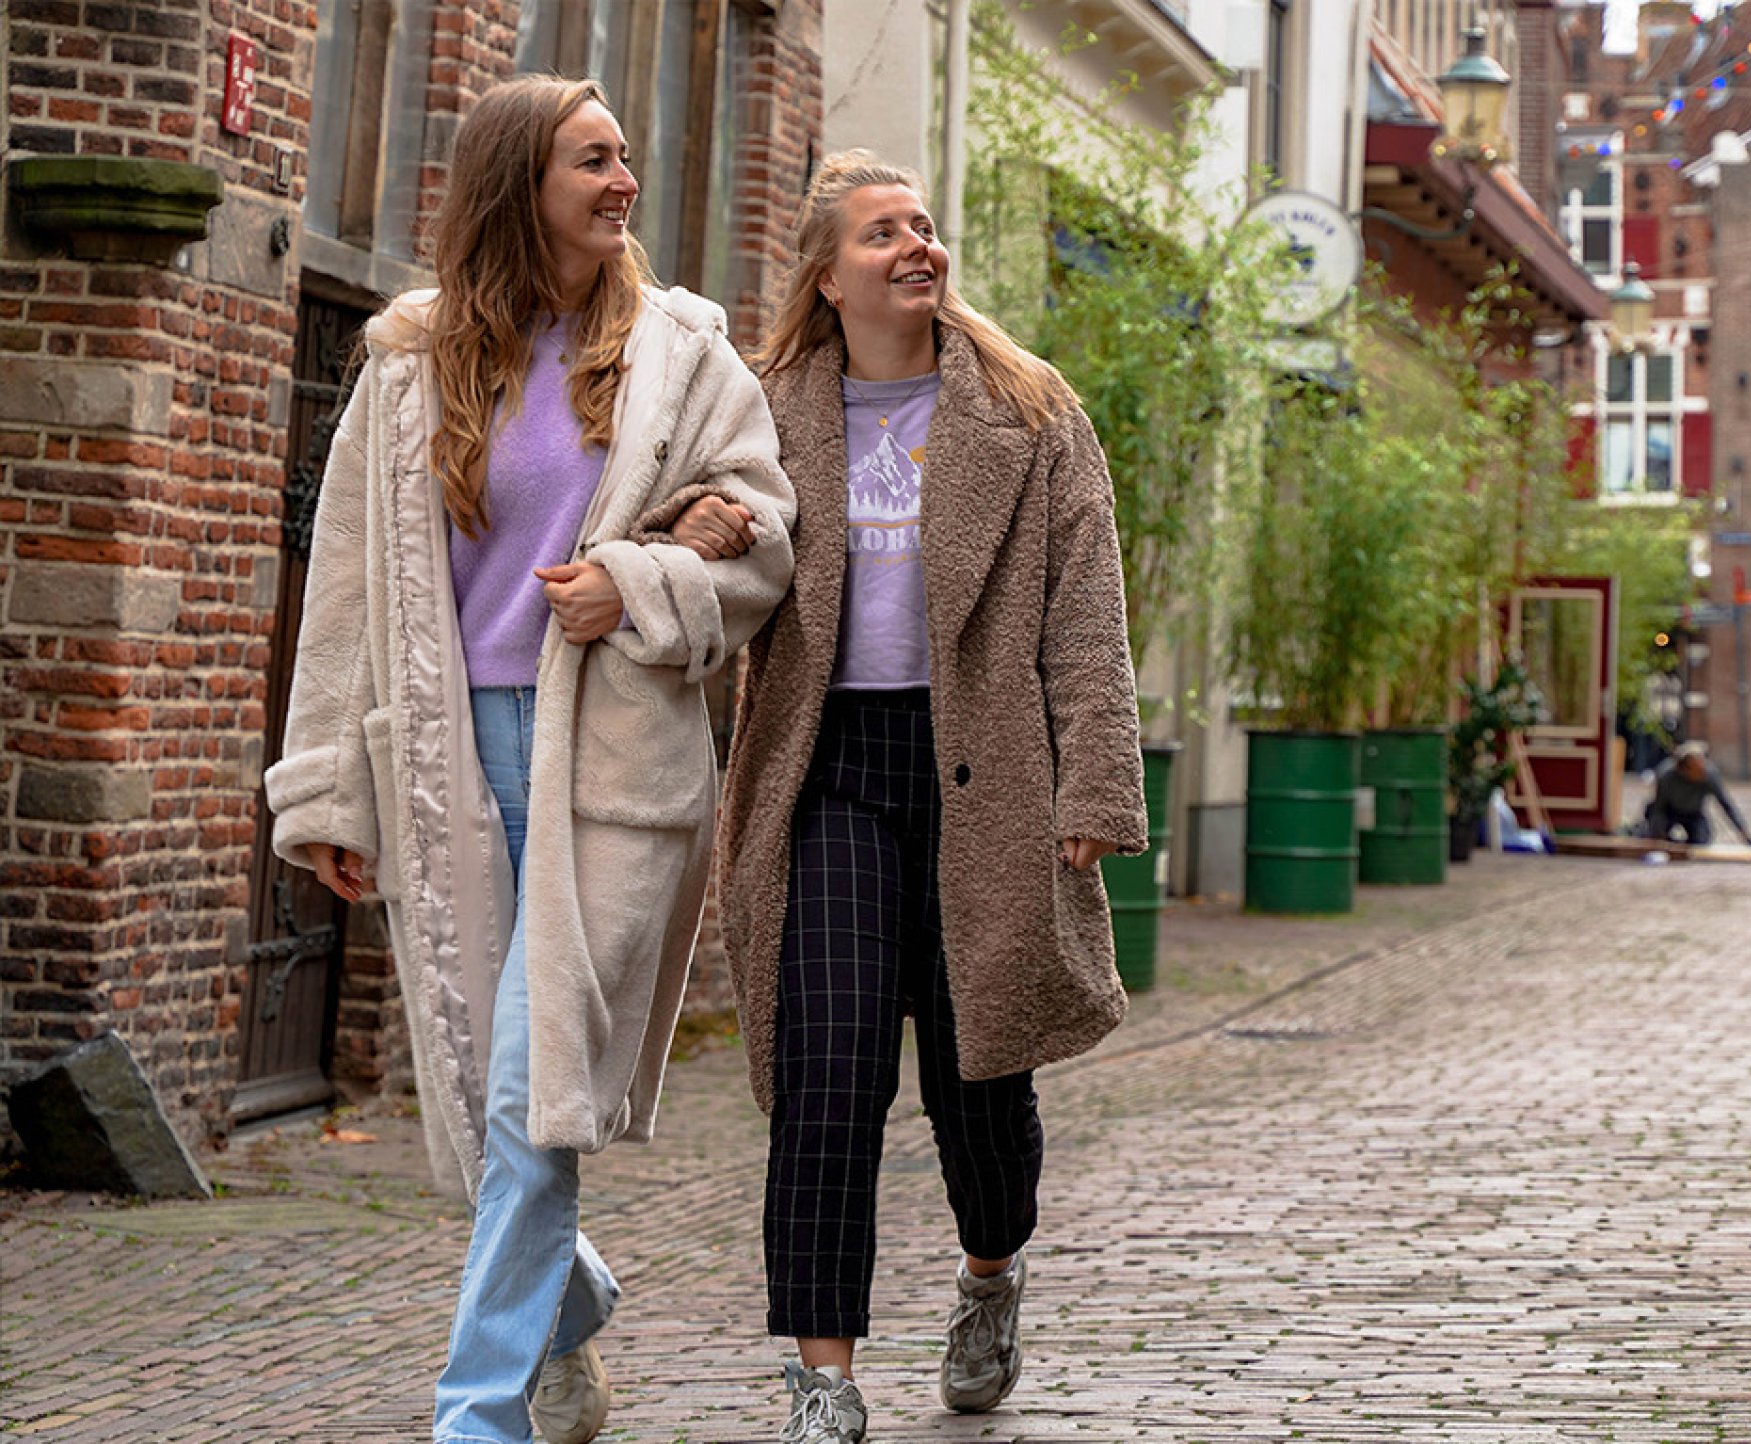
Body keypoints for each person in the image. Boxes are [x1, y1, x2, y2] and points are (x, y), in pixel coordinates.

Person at [261, 76, 796, 1444]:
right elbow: (348, 600)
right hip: (451, 759)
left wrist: (640, 580)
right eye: (593, 160)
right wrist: (330, 783)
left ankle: (474, 1417)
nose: (624, 183)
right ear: (521, 183)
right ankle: (569, 1304)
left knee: (528, 1089)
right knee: (498, 1100)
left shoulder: (688, 356)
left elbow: (771, 544)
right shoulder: (407, 365)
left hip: (613, 763)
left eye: (626, 158)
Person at [715, 150, 1148, 1443]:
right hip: (829, 770)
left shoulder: (1031, 409)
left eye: (923, 225)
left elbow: (1084, 617)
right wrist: (699, 530)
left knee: (981, 1082)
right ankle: (822, 1379)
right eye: (881, 234)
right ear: (827, 275)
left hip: (993, 774)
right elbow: (702, 532)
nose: (917, 247)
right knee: (829, 1071)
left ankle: (990, 1274)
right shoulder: (764, 408)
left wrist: (1096, 786)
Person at [1646, 741, 1751, 847]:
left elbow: (1726, 804)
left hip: (1694, 813)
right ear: (1682, 769)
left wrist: (1744, 833)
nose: (1701, 771)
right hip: (1670, 811)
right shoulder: (1666, 776)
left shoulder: (1709, 775)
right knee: (1655, 834)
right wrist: (1658, 834)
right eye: (1696, 769)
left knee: (1702, 841)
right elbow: (1659, 807)